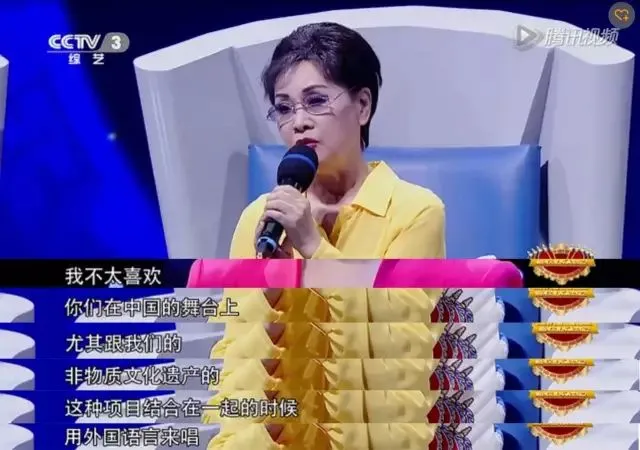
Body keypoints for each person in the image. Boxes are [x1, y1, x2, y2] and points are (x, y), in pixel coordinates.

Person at [188, 21, 446, 327]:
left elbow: (401, 336)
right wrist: (270, 299)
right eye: (284, 108)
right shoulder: (261, 218)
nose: (299, 122)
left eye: (316, 101)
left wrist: (314, 247)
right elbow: (234, 345)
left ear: (363, 106)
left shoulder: (415, 213)